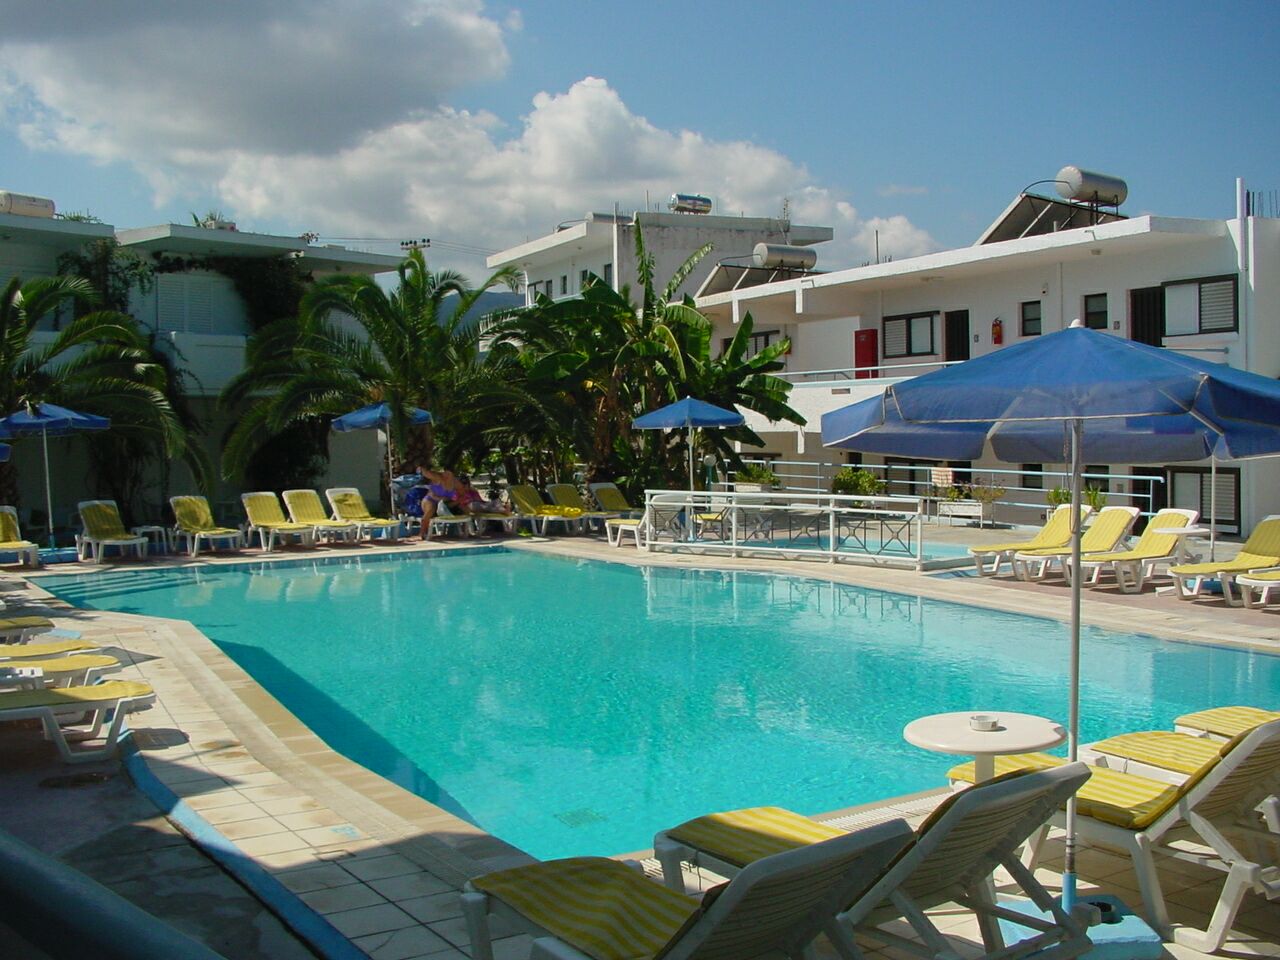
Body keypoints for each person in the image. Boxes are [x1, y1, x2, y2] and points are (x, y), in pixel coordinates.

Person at [417, 466, 463, 541]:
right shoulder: (437, 478)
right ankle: (422, 532)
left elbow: (463, 493)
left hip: (444, 504)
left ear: (452, 475)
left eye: (448, 474)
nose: (445, 475)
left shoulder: (455, 483)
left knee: (457, 507)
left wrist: (455, 501)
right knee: (431, 509)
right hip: (430, 500)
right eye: (444, 473)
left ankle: (464, 531)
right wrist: (421, 469)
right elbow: (427, 473)